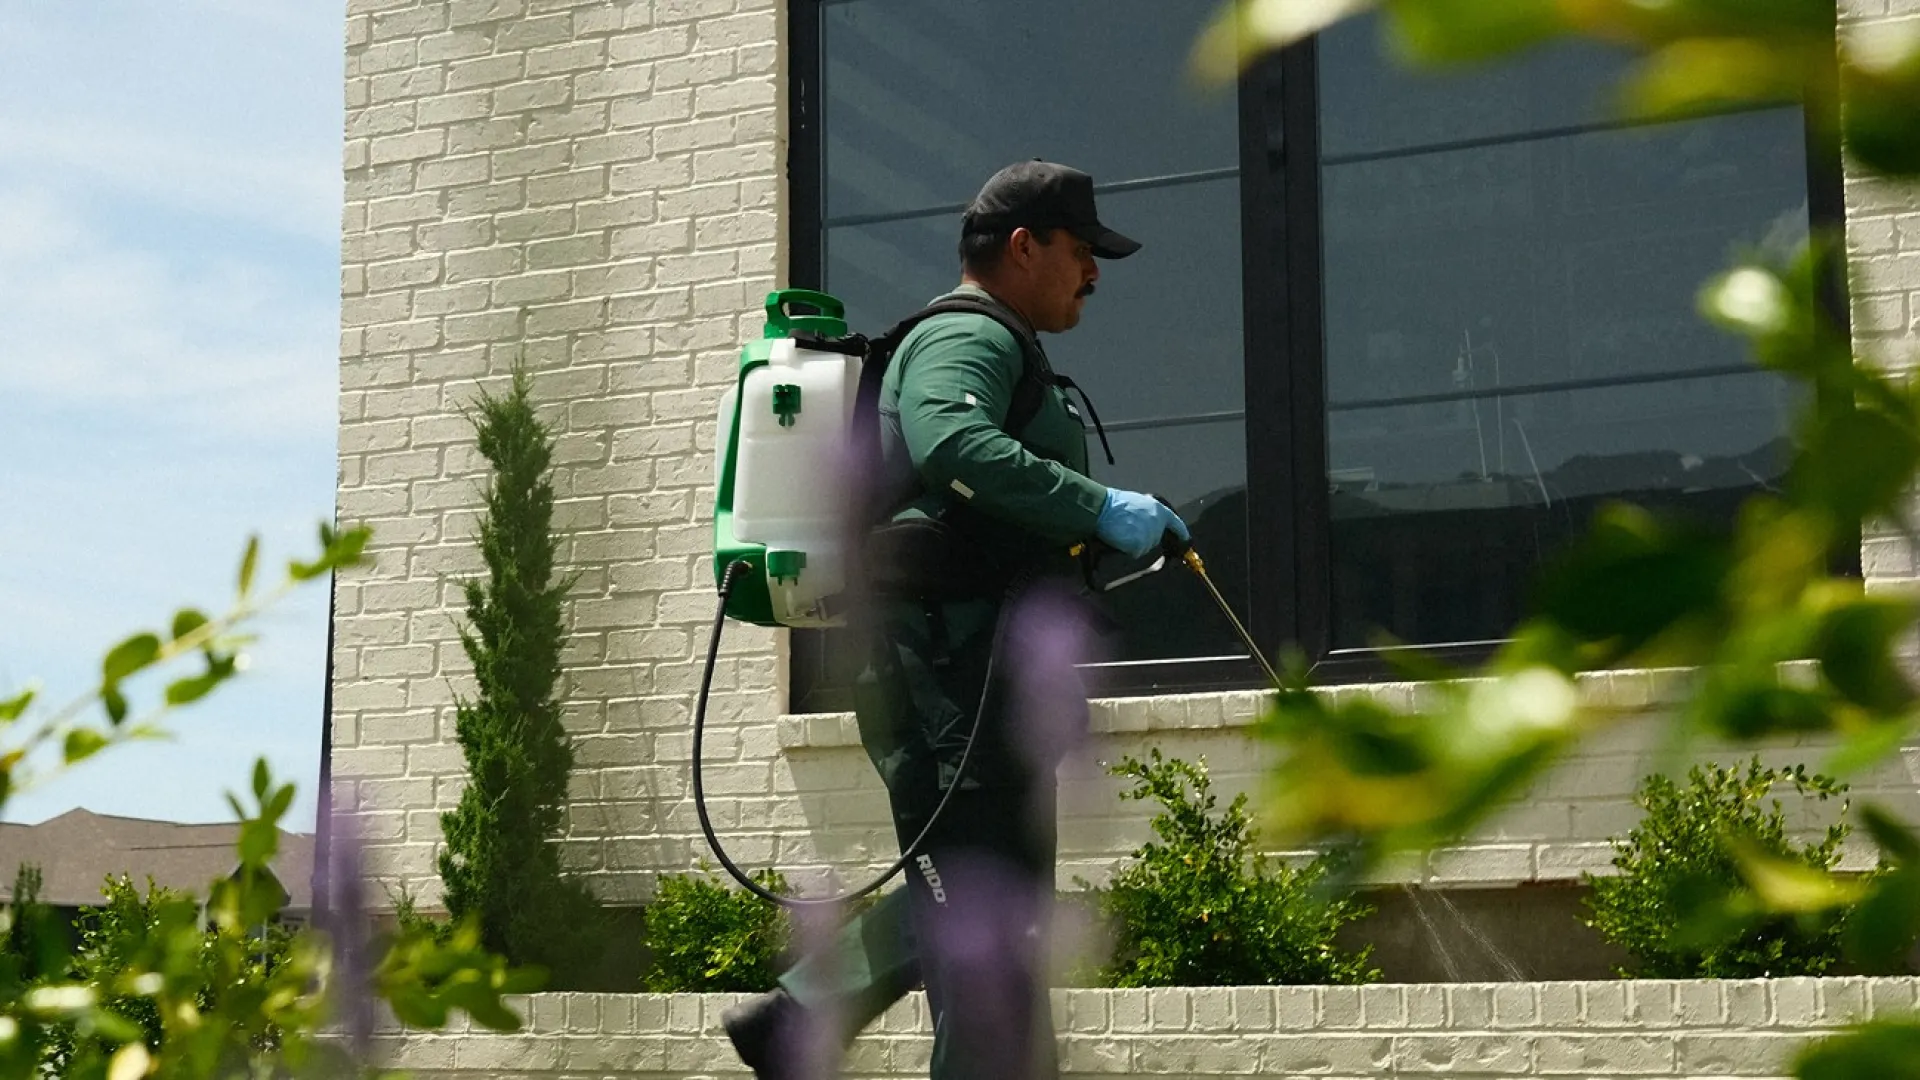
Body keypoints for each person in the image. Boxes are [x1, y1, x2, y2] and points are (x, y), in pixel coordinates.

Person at [722, 160, 1189, 1080]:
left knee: (996, 918)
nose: (1094, 272)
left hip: (971, 665)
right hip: (946, 666)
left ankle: (801, 1015)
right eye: (1081, 249)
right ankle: (803, 1012)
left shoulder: (1001, 344)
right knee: (985, 908)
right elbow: (952, 440)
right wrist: (1098, 506)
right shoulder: (968, 335)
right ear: (1024, 246)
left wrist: (1085, 537)